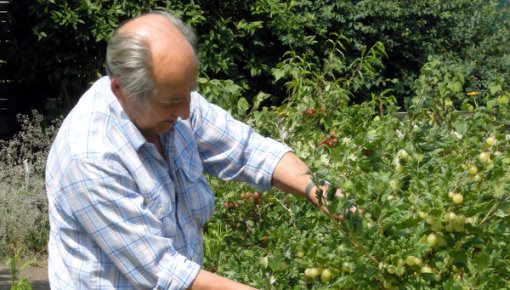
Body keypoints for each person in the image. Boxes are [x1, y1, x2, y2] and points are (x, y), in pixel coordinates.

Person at [45, 10, 337, 289]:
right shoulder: (90, 155)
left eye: (188, 94)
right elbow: (163, 273)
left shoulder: (173, 104)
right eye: (172, 101)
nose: (186, 112)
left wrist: (319, 191)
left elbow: (248, 150)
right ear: (122, 90)